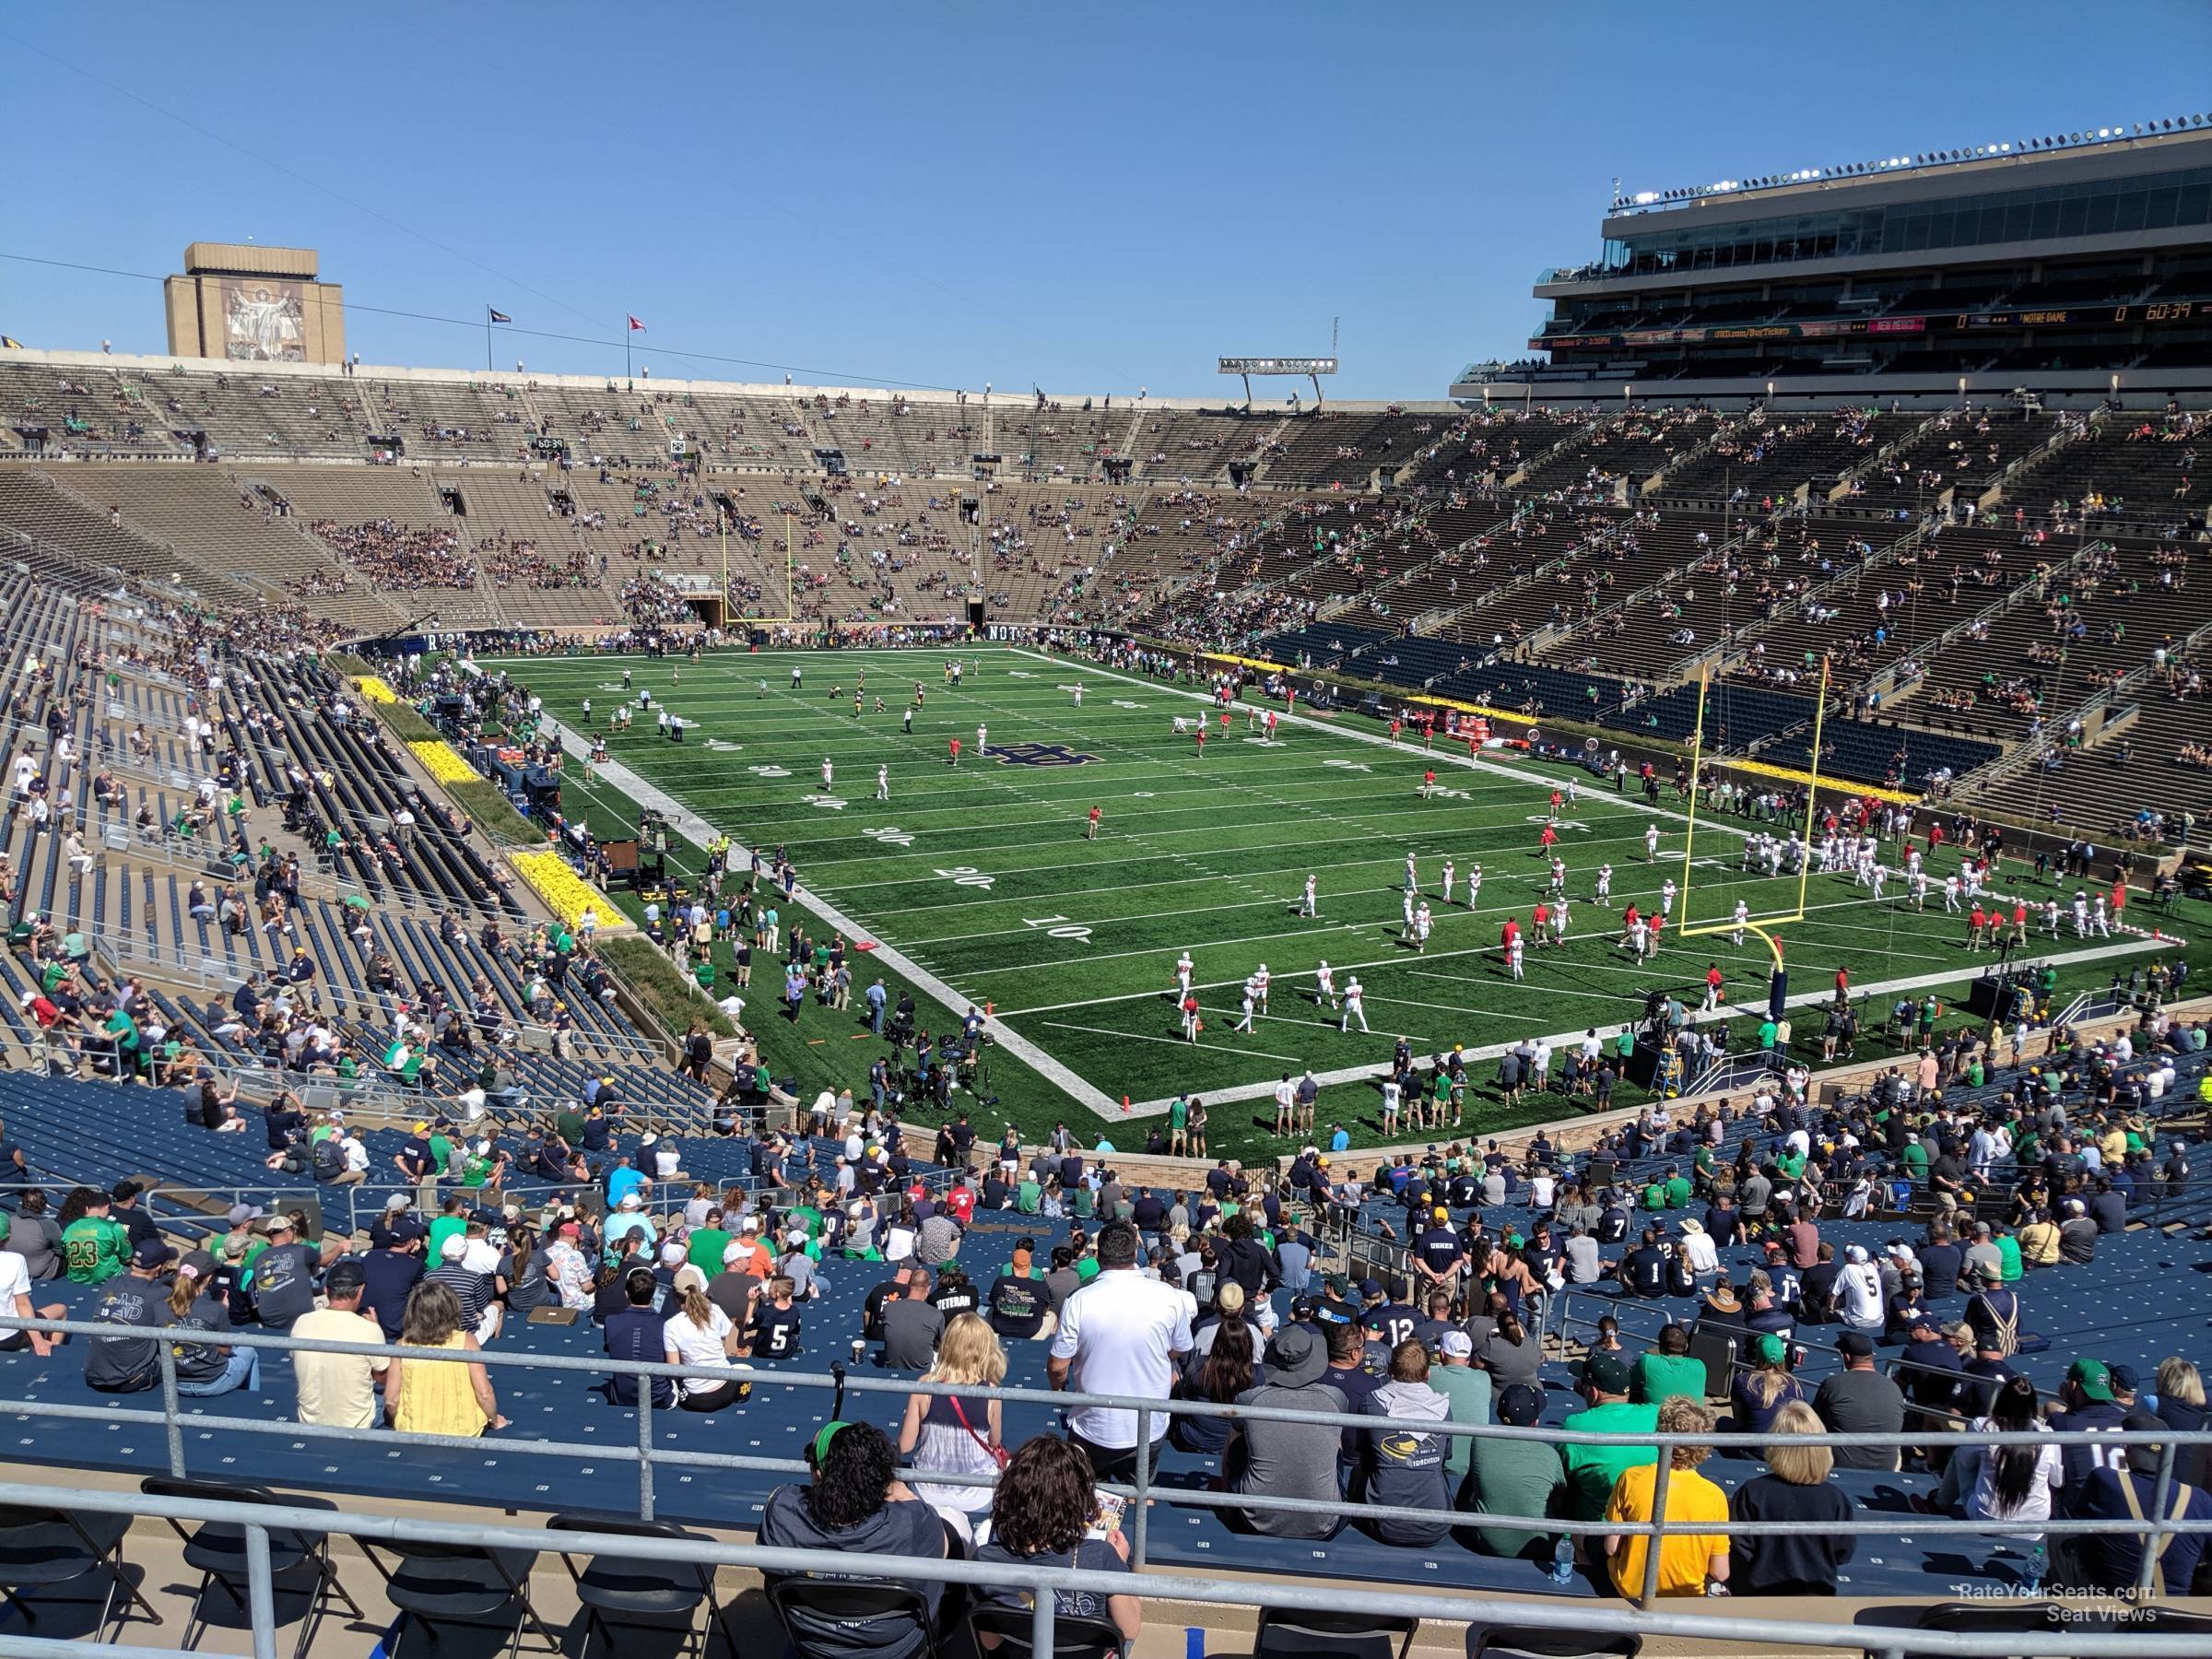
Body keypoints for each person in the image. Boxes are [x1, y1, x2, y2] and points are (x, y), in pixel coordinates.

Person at [759, 1420, 947, 1659]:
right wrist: (907, 1496)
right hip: (895, 1649)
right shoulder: (915, 1522)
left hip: (814, 1645)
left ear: (819, 1475)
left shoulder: (781, 1514)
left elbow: (786, 1498)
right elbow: (941, 1550)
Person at [1047, 1221, 1192, 1479]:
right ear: (1135, 1254)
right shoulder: (1169, 1296)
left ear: (1098, 1256)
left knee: (1085, 1496)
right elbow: (1178, 1349)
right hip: (1146, 1428)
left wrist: (1059, 1389)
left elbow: (1059, 1366)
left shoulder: (1079, 1300)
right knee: (1141, 1497)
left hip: (1093, 1426)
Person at [974, 1435, 1140, 1646]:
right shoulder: (1102, 1556)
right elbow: (1130, 1628)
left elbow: (990, 1642)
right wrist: (1118, 1566)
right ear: (1078, 1501)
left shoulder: (986, 1558)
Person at [1226, 1324, 1347, 1539]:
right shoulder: (1336, 1399)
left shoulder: (1250, 1399)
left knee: (1237, 1436)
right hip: (1323, 1522)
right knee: (1335, 1443)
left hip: (1255, 1519)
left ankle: (1227, 1497)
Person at [1603, 1395, 1729, 1596]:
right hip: (1686, 1597)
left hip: (1631, 1591)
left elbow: (1611, 1548)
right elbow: (1721, 1572)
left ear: (1661, 1435)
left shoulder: (1631, 1478)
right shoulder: (1715, 1496)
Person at [1725, 1401, 1855, 1594]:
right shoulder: (1835, 1498)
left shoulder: (1753, 1492)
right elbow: (1844, 1553)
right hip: (1816, 1596)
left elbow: (1739, 1551)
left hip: (1758, 1597)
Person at [898, 1312, 1006, 1541]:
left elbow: (905, 1446)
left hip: (928, 1491)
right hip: (976, 1495)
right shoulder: (992, 1392)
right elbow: (994, 1441)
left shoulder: (925, 1385)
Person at [1359, 1338, 1453, 1545]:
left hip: (1385, 1522)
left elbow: (1363, 1454)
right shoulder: (1444, 1409)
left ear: (1390, 1370)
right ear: (1427, 1374)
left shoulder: (1372, 1402)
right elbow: (1444, 1459)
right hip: (1435, 1525)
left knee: (1360, 1469)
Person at [384, 1280, 505, 1436]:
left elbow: (391, 1400)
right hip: (462, 1430)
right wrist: (494, 1420)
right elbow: (484, 1393)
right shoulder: (467, 1342)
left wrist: (401, 1421)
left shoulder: (402, 1346)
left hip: (414, 1431)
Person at [1467, 1382, 1568, 1560]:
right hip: (1540, 1544)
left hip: (1487, 1541)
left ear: (1498, 1414)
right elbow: (1561, 1502)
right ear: (1536, 1422)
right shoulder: (1550, 1455)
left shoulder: (1480, 1442)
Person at [1561, 1349, 1659, 1522]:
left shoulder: (1574, 1425)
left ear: (1593, 1392)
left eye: (1583, 1383)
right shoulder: (1656, 1414)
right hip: (1647, 1522)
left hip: (1595, 1529)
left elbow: (1560, 1477)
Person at [291, 1257, 389, 1429]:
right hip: (357, 1424)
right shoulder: (369, 1330)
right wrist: (376, 1329)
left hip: (311, 1421)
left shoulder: (302, 1322)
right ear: (360, 1291)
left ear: (326, 1290)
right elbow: (383, 1378)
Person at [84, 1241, 175, 1393]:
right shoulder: (162, 1294)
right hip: (130, 1380)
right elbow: (172, 1333)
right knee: (175, 1355)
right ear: (159, 1268)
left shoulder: (111, 1283)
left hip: (94, 1375)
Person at [1813, 1331, 1907, 1470]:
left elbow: (1814, 1419)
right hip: (1888, 1466)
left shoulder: (1834, 1384)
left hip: (1841, 1466)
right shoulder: (1892, 1387)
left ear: (1846, 1357)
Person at [662, 1268, 750, 1412]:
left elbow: (674, 1370)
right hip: (726, 1390)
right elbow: (723, 1342)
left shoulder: (671, 1326)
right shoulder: (715, 1310)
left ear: (675, 1295)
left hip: (696, 1398)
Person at [167, 1262, 258, 1396]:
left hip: (176, 1381)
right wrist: (223, 1313)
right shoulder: (216, 1309)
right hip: (213, 1383)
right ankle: (253, 1401)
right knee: (249, 1350)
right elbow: (225, 1351)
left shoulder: (161, 1306)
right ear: (209, 1278)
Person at [0, 1214, 65, 1356]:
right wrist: (39, 1342)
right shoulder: (15, 1260)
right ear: (7, 1238)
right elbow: (22, 1303)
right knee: (61, 1310)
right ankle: (50, 1356)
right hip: (7, 1337)